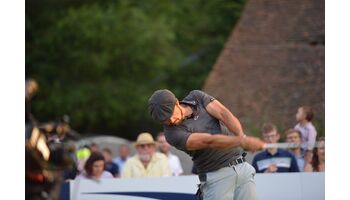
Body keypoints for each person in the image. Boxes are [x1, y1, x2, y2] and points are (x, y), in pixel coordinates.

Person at [148, 89, 265, 200]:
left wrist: (241, 136)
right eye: (166, 121)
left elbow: (223, 114)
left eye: (171, 116)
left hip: (241, 167)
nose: (171, 121)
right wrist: (242, 142)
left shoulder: (196, 97)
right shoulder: (171, 134)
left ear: (177, 102)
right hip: (216, 177)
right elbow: (208, 141)